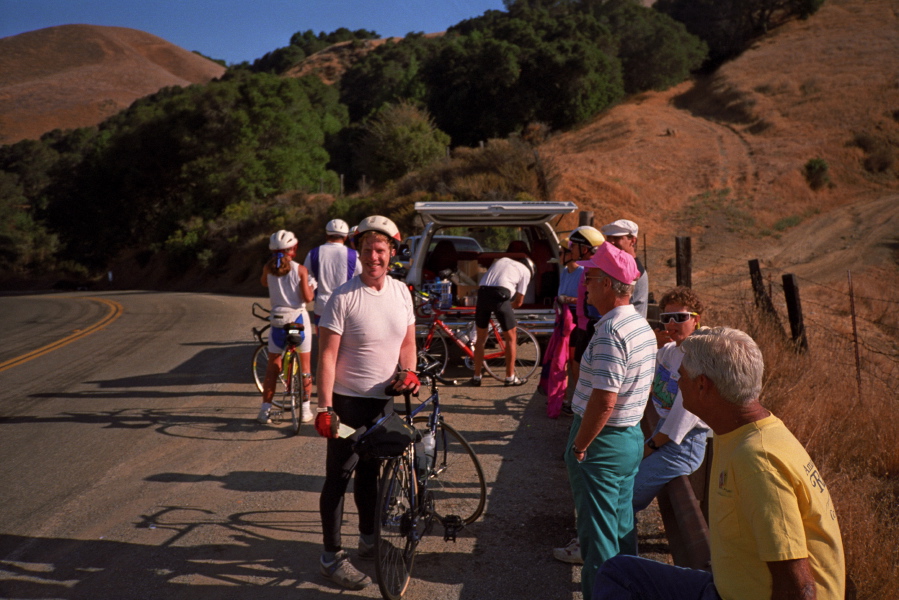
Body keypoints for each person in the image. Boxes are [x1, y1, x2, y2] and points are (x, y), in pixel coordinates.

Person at [594, 327, 845, 600]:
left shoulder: (757, 462)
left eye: (682, 375)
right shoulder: (749, 432)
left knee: (619, 576)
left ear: (703, 385)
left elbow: (800, 589)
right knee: (619, 572)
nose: (678, 382)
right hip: (731, 585)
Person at [313, 215, 420, 591]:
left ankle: (368, 540)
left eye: (380, 250)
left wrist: (409, 371)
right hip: (346, 404)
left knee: (371, 476)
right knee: (338, 477)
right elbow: (326, 355)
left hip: (382, 404)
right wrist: (324, 407)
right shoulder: (343, 297)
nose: (373, 257)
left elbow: (407, 343)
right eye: (367, 250)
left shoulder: (401, 293)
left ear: (392, 252)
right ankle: (330, 557)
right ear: (357, 252)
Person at [565, 241, 657, 599]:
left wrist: (580, 445)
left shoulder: (609, 332)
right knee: (621, 530)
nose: (584, 285)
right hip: (629, 436)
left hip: (602, 442)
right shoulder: (640, 326)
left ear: (606, 284)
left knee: (598, 540)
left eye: (590, 278)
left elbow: (604, 400)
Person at [632, 286, 710, 514]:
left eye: (681, 317)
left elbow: (680, 423)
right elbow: (642, 377)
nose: (673, 323)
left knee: (627, 495)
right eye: (667, 318)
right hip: (663, 433)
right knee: (621, 484)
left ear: (696, 320)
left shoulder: (697, 361)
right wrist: (652, 344)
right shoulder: (668, 352)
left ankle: (604, 547)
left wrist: (647, 449)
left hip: (682, 444)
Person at [258, 230, 315, 424]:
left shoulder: (268, 267)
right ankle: (305, 410)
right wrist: (311, 287)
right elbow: (307, 298)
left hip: (277, 321)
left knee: (273, 367)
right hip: (297, 320)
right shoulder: (300, 270)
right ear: (294, 249)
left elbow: (264, 282)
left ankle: (265, 410)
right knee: (305, 367)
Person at [470, 255, 532, 387]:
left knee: (480, 338)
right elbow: (519, 302)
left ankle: (476, 377)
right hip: (500, 294)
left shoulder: (503, 260)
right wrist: (507, 309)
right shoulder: (526, 271)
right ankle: (510, 378)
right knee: (511, 338)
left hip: (482, 293)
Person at [303, 218, 361, 325]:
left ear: (326, 235)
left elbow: (306, 276)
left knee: (323, 340)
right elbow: (361, 278)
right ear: (345, 237)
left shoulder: (313, 253)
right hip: (345, 305)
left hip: (321, 306)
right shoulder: (353, 255)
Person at [600, 219, 648, 318]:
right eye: (608, 237)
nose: (611, 242)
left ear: (633, 241)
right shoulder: (616, 268)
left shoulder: (634, 271)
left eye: (617, 238)